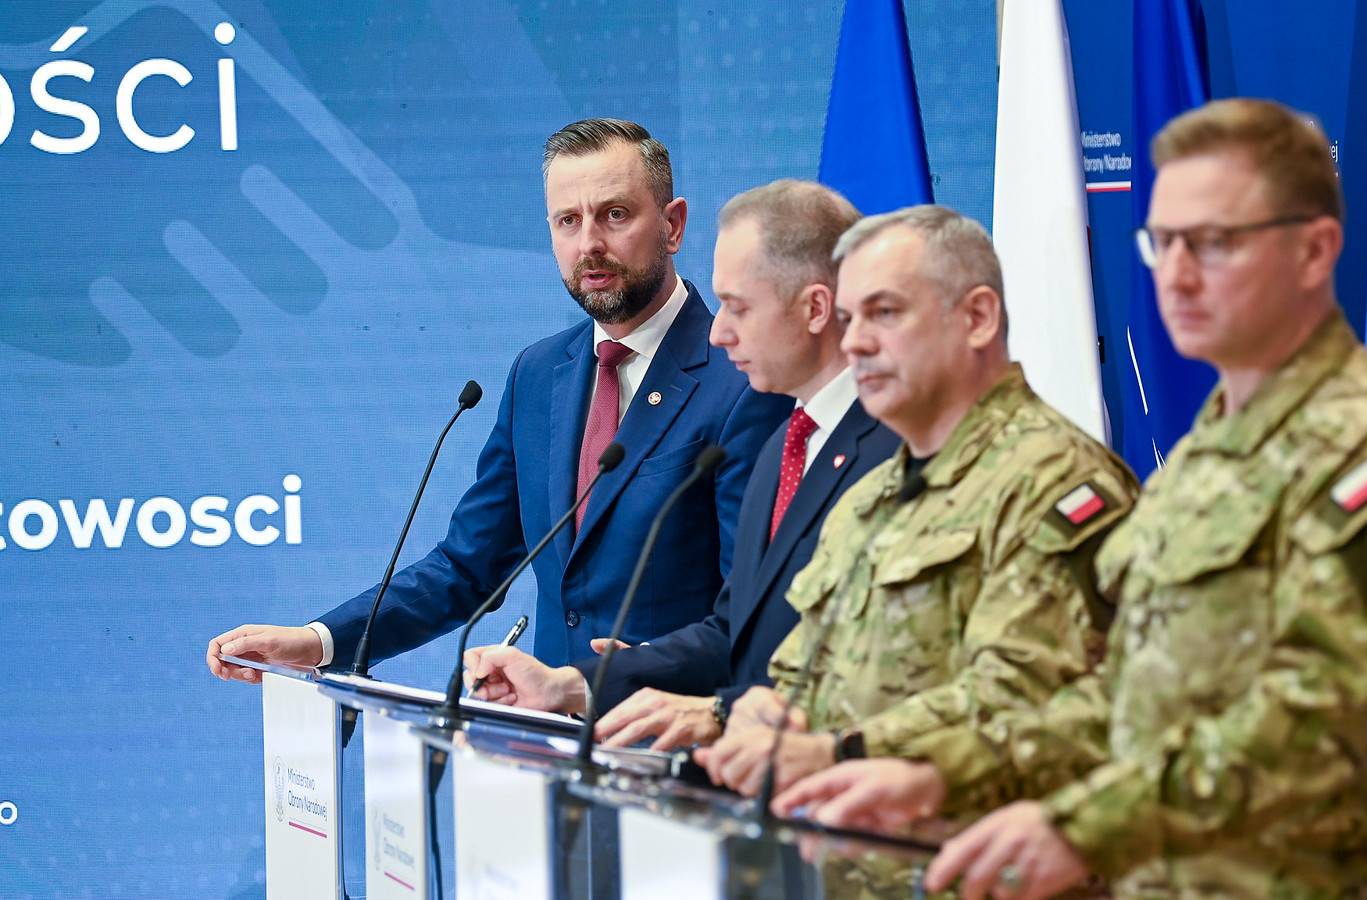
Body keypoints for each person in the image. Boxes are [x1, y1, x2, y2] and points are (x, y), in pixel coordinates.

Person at [779, 98, 1367, 900]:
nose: (1175, 275)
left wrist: (1079, 826)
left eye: (1212, 243)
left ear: (1314, 250)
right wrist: (938, 771)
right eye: (1163, 242)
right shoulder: (1209, 454)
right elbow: (1126, 692)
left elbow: (1317, 725)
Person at [206, 118, 789, 679]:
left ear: (673, 225)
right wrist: (321, 641)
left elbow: (755, 614)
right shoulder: (538, 375)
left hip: (681, 735)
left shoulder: (745, 380)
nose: (589, 244)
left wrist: (635, 677)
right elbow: (467, 566)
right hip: (549, 738)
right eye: (567, 221)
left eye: (615, 215)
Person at [697, 204, 1138, 894]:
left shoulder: (1056, 483)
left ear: (977, 317)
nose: (855, 343)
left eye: (885, 313)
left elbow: (1026, 699)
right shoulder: (871, 498)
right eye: (849, 319)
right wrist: (764, 713)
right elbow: (803, 675)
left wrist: (838, 751)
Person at [463, 179, 899, 749]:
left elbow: (896, 662)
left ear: (815, 308)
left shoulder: (897, 451)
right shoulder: (788, 447)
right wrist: (571, 685)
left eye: (738, 306)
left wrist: (726, 716)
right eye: (566, 220)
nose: (718, 330)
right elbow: (741, 632)